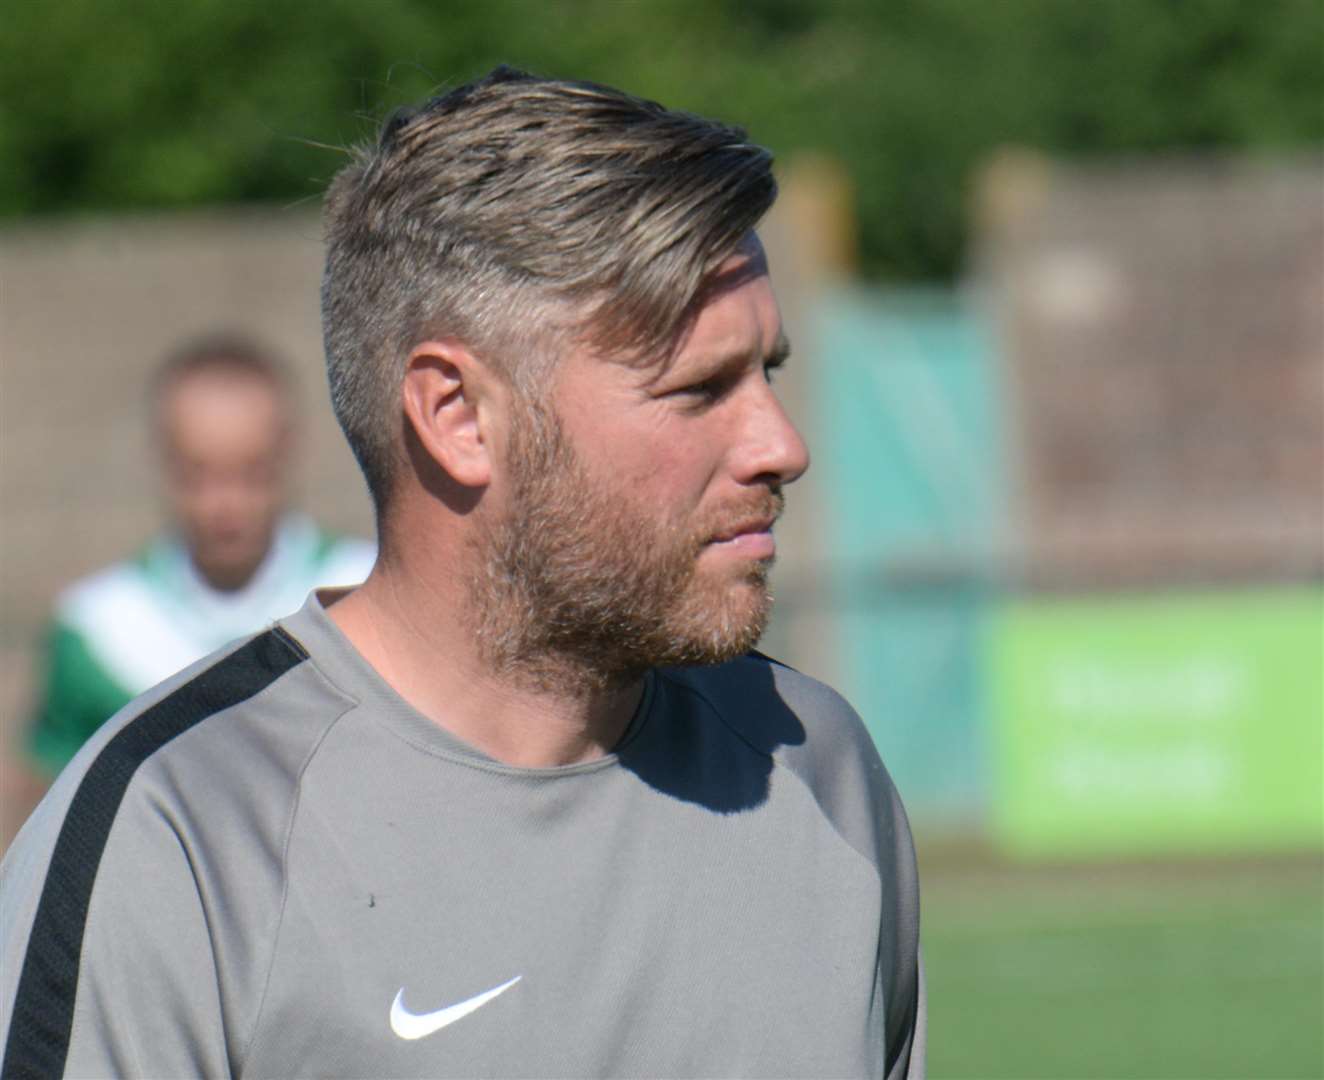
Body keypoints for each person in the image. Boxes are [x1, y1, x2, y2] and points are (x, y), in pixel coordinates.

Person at [0, 67, 924, 1079]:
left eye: (768, 372)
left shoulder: (817, 772)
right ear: (456, 416)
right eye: (700, 387)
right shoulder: (179, 836)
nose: (780, 445)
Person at [22, 333, 375, 778]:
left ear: (288, 452)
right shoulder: (97, 630)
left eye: (251, 473)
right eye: (198, 474)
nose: (225, 505)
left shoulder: (365, 594)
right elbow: (50, 807)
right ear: (163, 460)